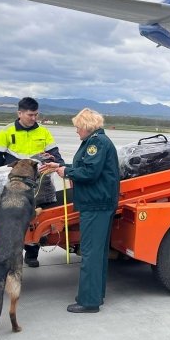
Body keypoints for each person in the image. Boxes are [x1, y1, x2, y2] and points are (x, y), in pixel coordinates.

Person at [40, 108, 119, 313]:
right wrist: (60, 165)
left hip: (96, 204)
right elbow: (85, 167)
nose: (76, 131)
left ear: (86, 126)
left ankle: (89, 301)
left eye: (77, 127)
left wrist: (67, 171)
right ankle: (94, 294)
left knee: (91, 253)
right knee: (97, 253)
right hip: (97, 203)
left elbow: (90, 172)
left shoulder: (97, 143)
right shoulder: (94, 142)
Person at [0, 96, 64, 267]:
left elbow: (55, 154)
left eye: (36, 115)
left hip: (40, 184)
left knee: (39, 216)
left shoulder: (43, 132)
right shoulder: (7, 131)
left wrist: (60, 165)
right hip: (16, 183)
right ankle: (15, 251)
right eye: (30, 115)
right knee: (17, 217)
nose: (33, 118)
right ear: (20, 113)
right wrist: (7, 173)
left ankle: (32, 254)